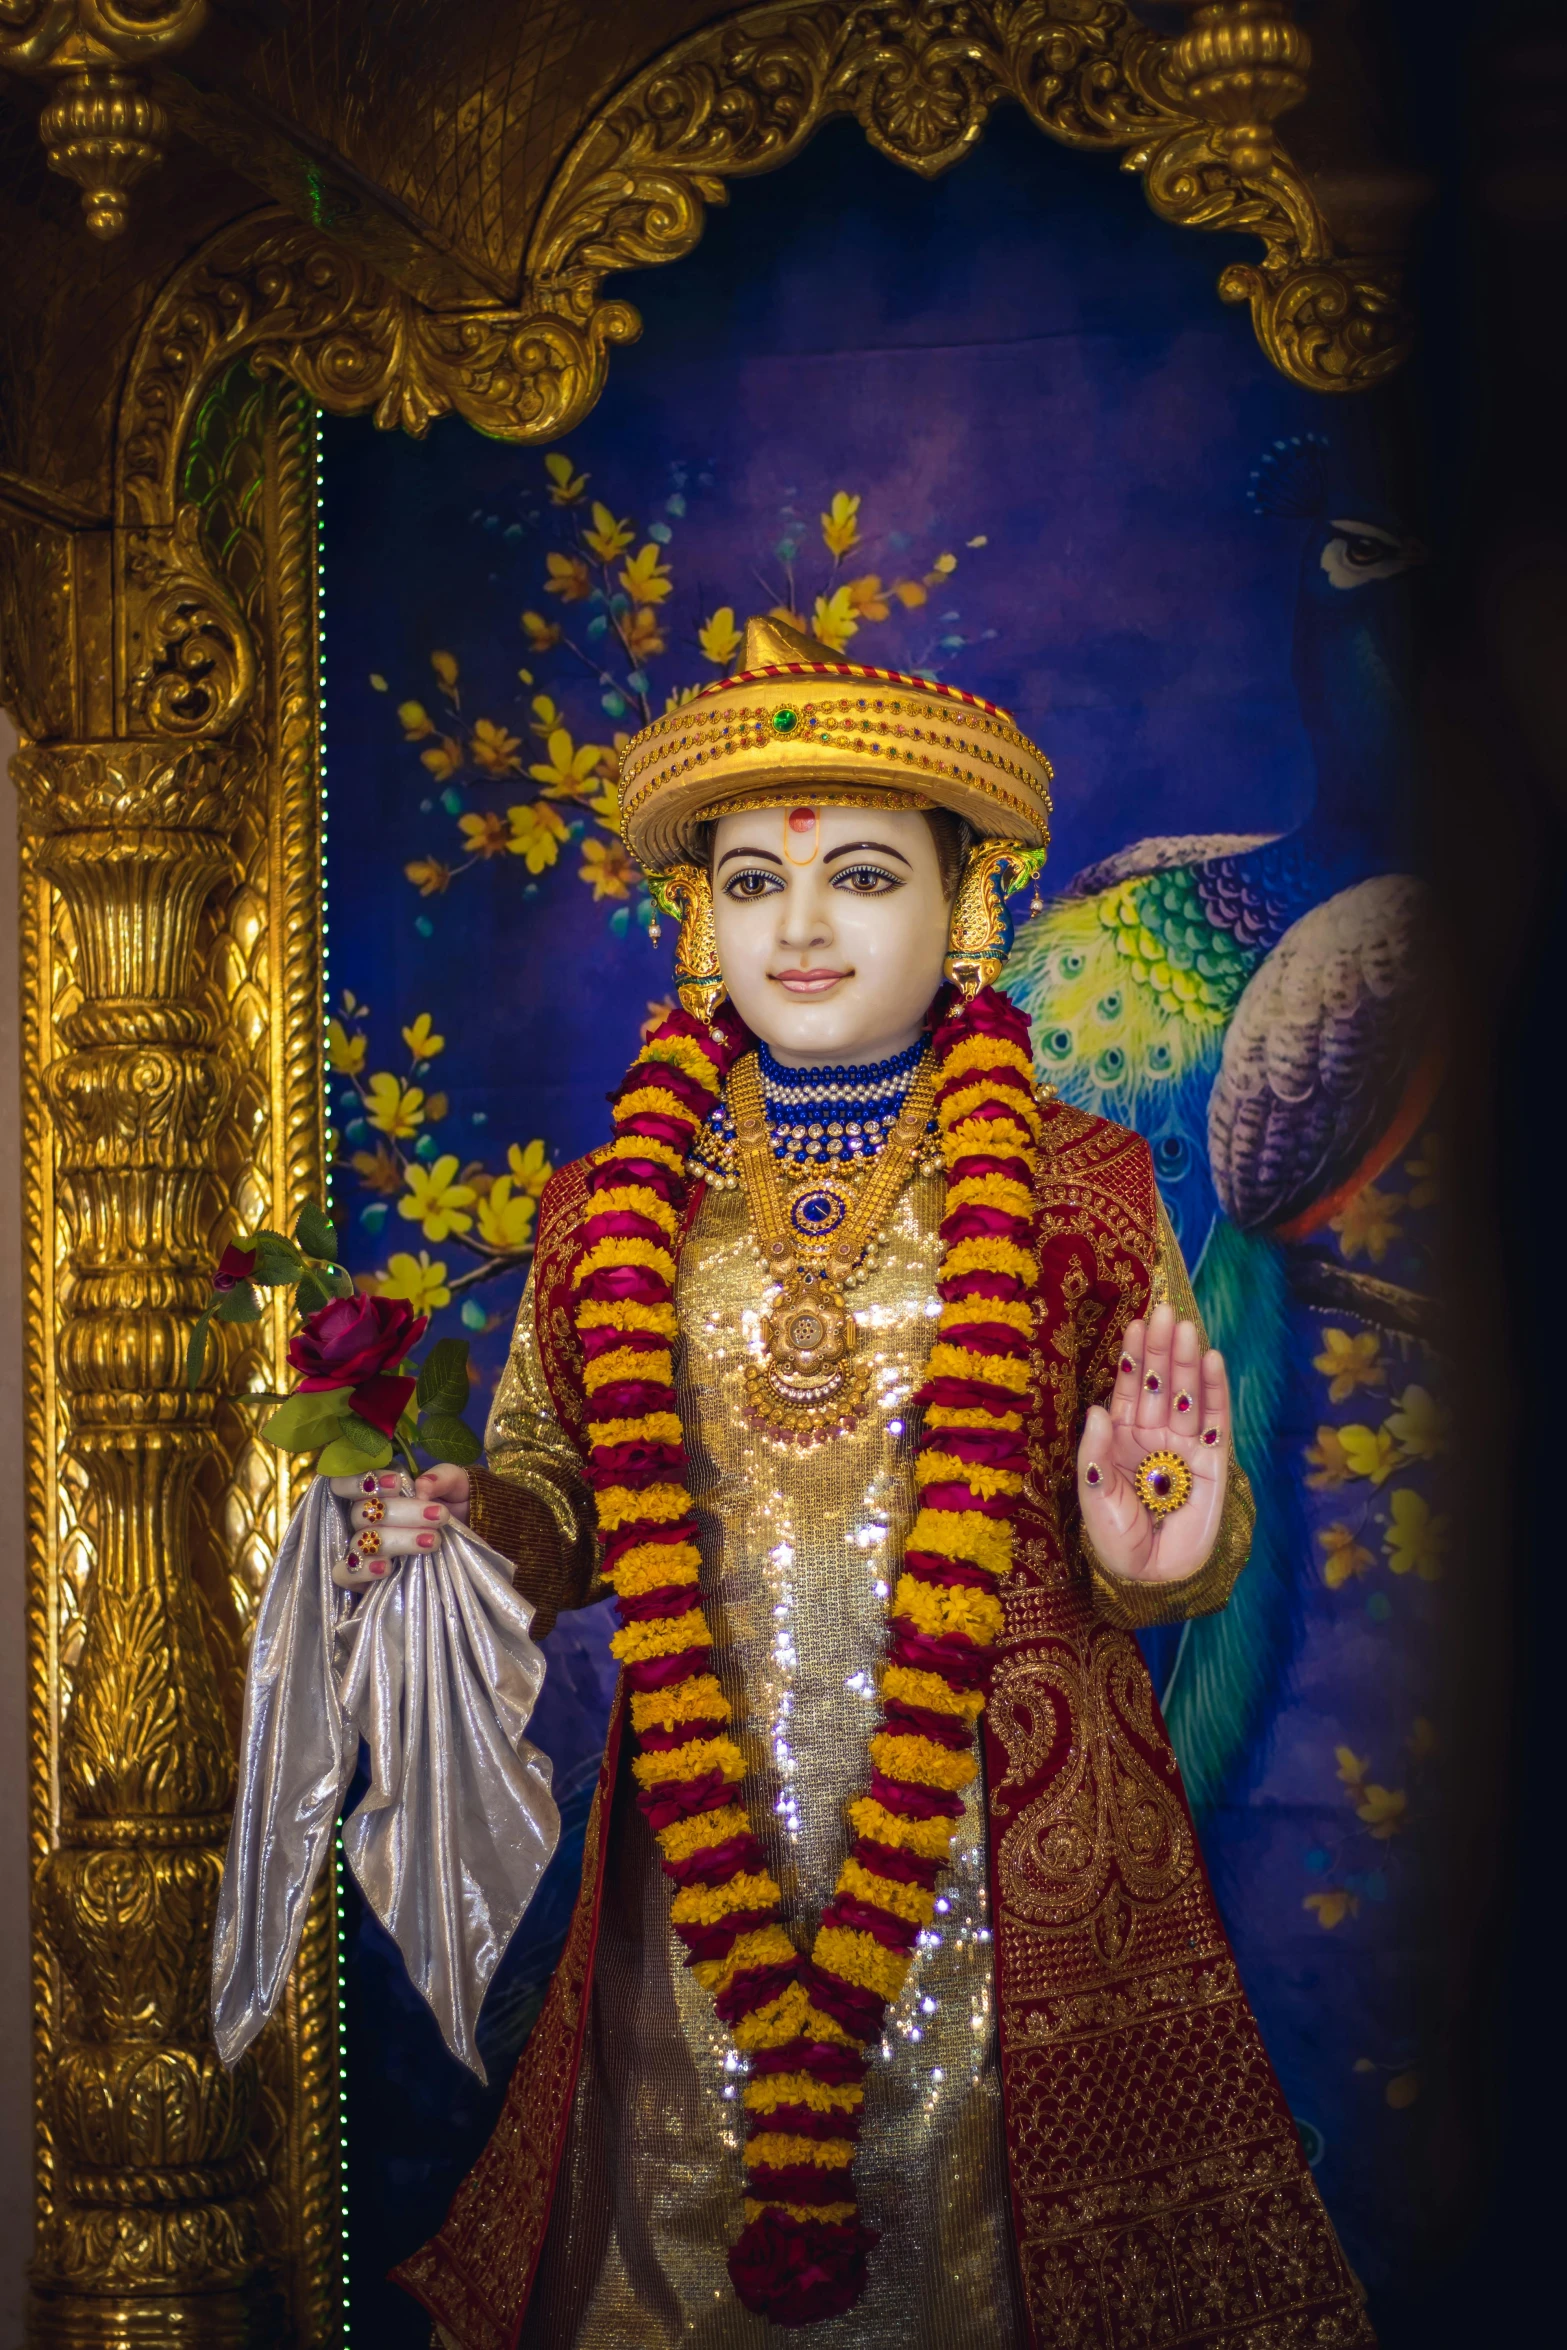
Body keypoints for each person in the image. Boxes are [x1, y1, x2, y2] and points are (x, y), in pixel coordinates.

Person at [341, 618, 1371, 2348]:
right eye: (750, 882)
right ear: (699, 919)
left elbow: (1177, 1503)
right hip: (702, 1862)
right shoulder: (612, 1203)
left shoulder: (1083, 1183)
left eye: (862, 876)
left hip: (1001, 1876)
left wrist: (1159, 1537)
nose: (798, 927)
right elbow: (554, 1477)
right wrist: (474, 1527)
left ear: (966, 910)